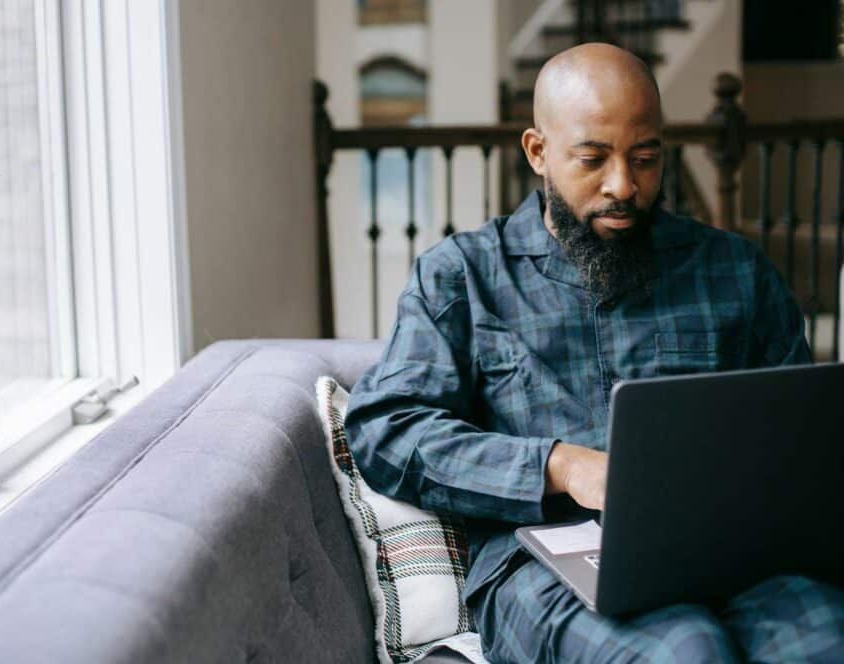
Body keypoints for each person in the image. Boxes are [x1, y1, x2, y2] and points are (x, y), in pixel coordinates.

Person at [343, 43, 844, 663]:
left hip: (730, 556)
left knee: (827, 640)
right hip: (545, 563)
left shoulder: (735, 271)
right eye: (592, 159)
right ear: (538, 152)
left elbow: (805, 438)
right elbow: (386, 428)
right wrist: (561, 465)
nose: (624, 186)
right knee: (686, 652)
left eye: (646, 157)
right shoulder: (463, 276)